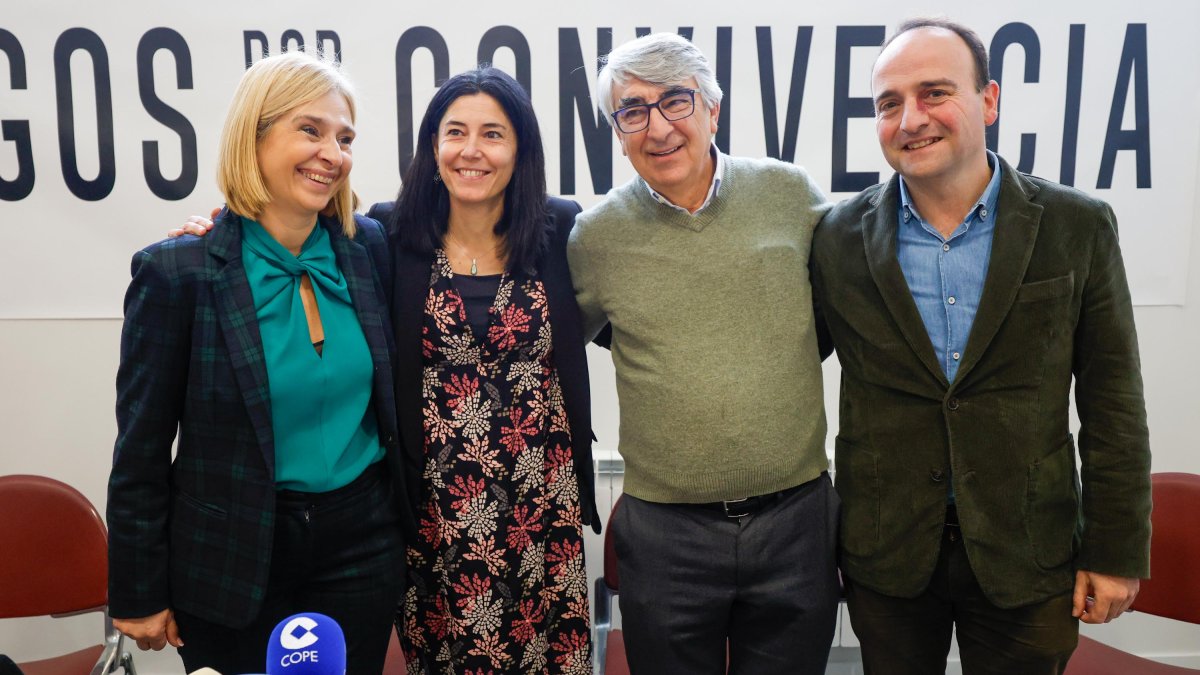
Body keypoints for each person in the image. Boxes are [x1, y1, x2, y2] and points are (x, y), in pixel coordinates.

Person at [178, 66, 600, 675]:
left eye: (493, 134)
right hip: (431, 512)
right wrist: (220, 224)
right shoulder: (385, 235)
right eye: (455, 132)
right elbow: (279, 229)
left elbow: (625, 313)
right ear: (432, 146)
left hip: (539, 508)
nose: (472, 151)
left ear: (521, 149)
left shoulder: (561, 228)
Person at [810, 18, 1151, 674]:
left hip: (1031, 547)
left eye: (935, 92)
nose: (911, 118)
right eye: (889, 103)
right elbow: (784, 365)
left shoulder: (1076, 226)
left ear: (989, 99)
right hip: (889, 553)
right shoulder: (836, 238)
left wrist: (1114, 550)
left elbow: (1115, 405)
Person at [108, 51, 407, 673]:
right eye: (310, 130)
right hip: (232, 552)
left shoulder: (367, 248)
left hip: (361, 545)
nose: (333, 153)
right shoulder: (178, 274)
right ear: (255, 134)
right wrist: (139, 589)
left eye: (344, 138)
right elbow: (140, 448)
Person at [567, 33, 839, 674]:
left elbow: (831, 319)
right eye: (632, 110)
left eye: (675, 102)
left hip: (796, 520)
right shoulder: (596, 237)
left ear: (713, 111)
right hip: (665, 537)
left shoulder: (789, 196)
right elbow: (556, 344)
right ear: (618, 131)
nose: (657, 126)